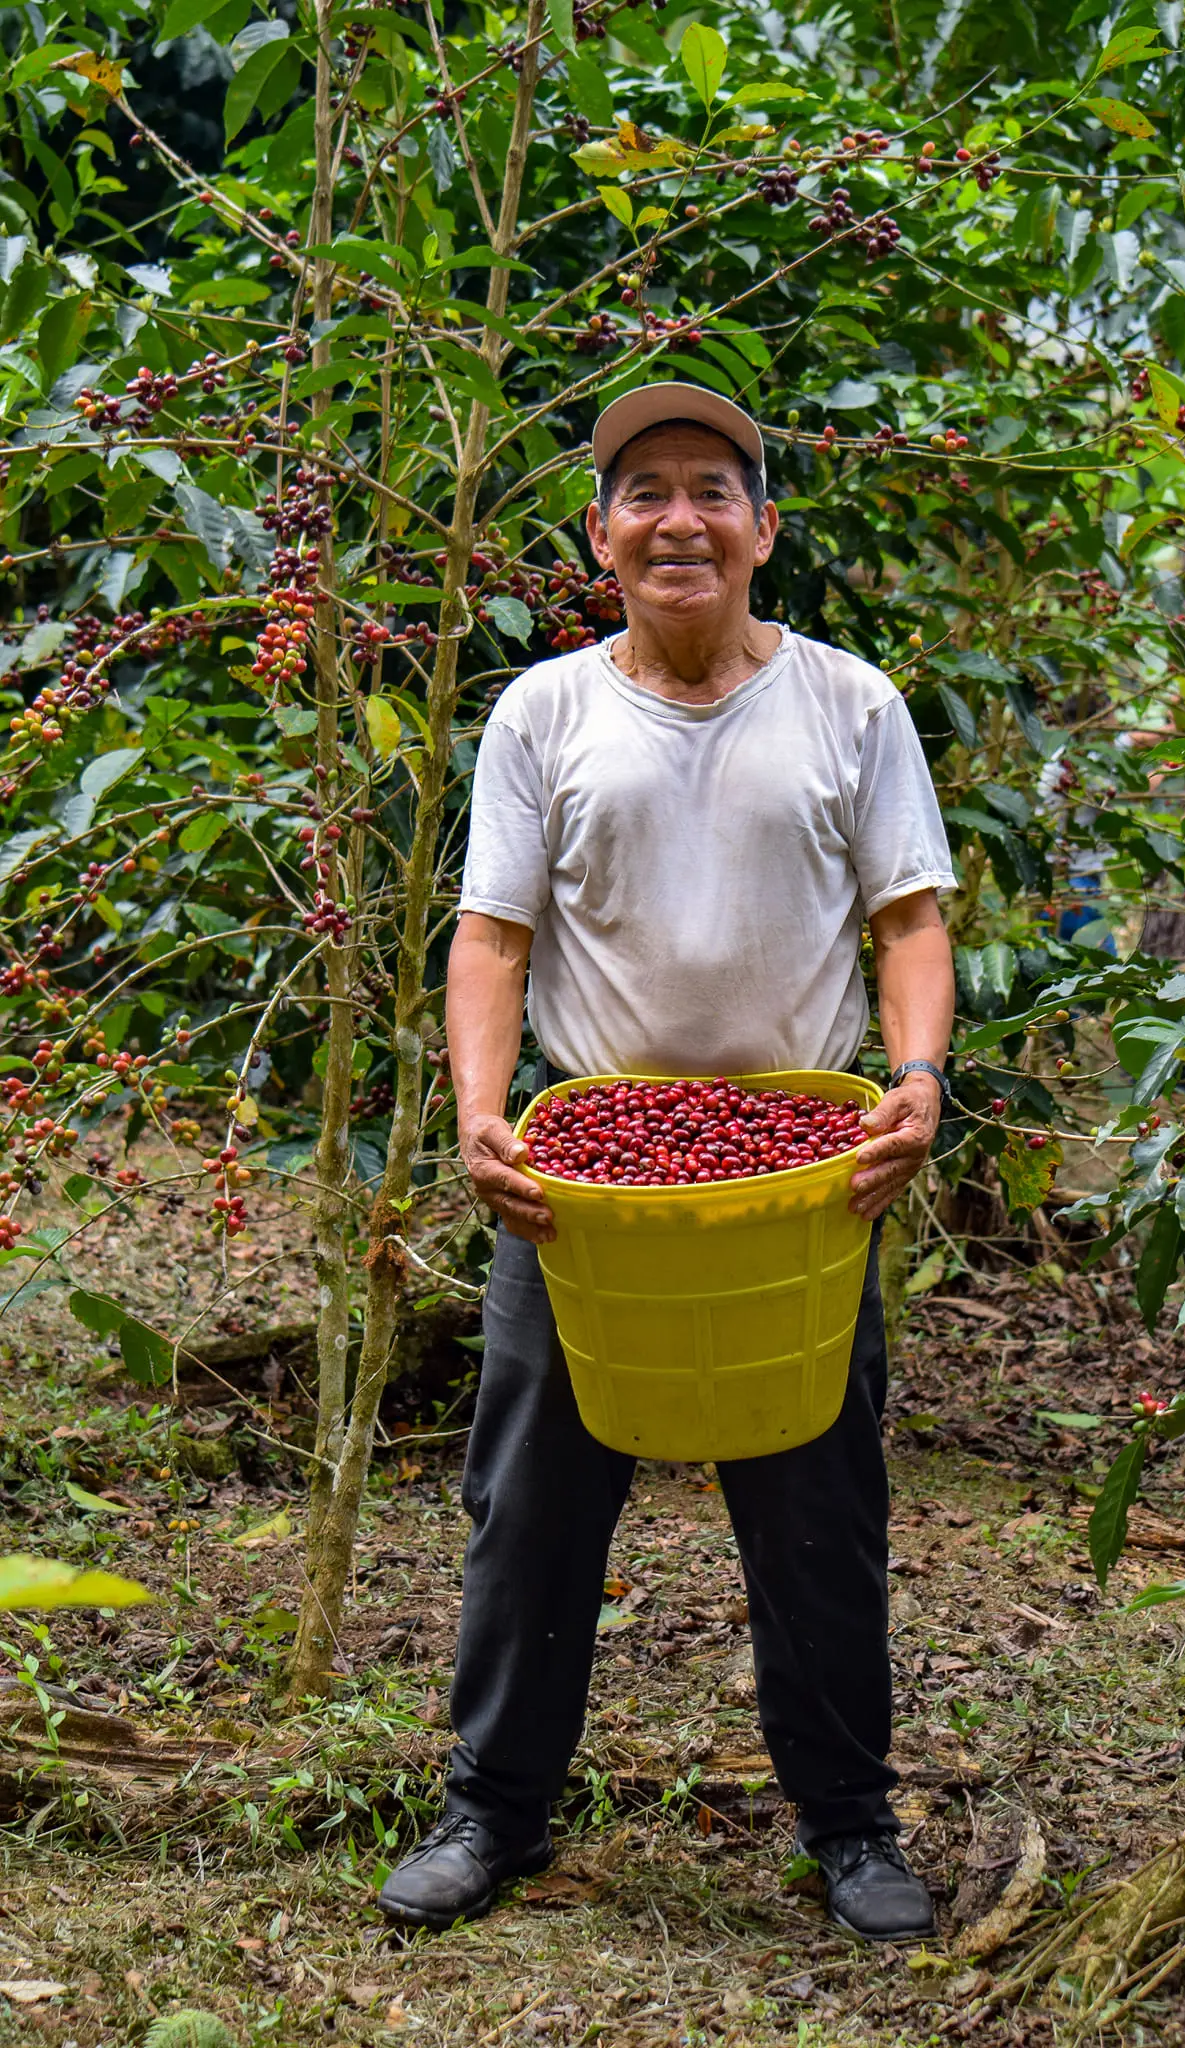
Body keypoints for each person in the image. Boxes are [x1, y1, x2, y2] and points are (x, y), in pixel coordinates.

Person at [379, 383, 957, 1942]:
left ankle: (849, 1825)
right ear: (601, 535)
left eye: (714, 488)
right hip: (587, 1182)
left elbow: (910, 917)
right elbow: (490, 939)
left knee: (820, 1502)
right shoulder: (545, 713)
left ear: (764, 529)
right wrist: (484, 1118)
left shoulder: (852, 704)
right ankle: (490, 1814)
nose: (679, 517)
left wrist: (911, 1080)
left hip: (802, 1176)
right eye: (644, 491)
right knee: (532, 1502)